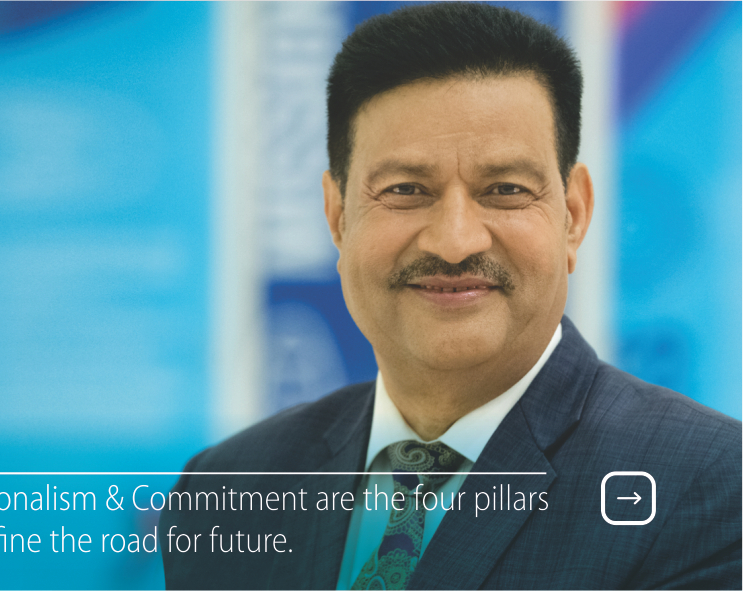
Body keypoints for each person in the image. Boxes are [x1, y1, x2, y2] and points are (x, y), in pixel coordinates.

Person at [160, 3, 742, 589]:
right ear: (337, 216)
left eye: (505, 189)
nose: (456, 241)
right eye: (406, 190)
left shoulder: (709, 488)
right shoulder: (227, 491)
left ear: (573, 214)